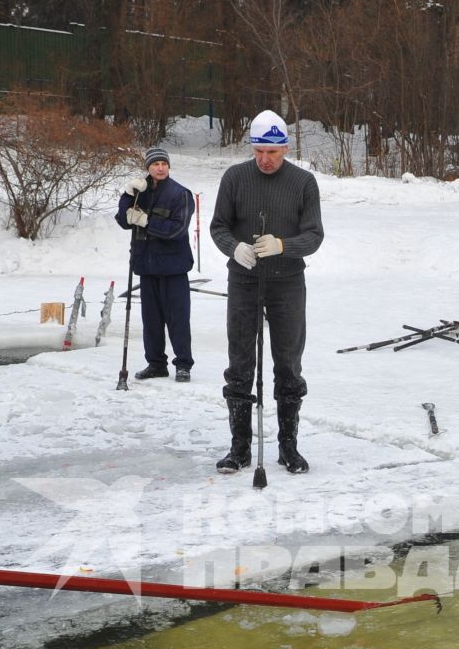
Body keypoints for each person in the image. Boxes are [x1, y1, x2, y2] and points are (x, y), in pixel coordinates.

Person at [209, 109, 324, 475]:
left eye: (272, 152)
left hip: (287, 282)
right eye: (259, 151)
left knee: (288, 363)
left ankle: (288, 447)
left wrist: (283, 245)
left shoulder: (303, 183)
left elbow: (314, 235)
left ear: (285, 148)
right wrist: (234, 248)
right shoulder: (235, 178)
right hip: (243, 280)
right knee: (240, 364)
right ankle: (239, 447)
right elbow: (218, 226)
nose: (265, 159)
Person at [118, 146, 196, 381]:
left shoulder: (180, 194)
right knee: (151, 320)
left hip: (173, 268)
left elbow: (177, 230)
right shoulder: (140, 192)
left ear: (169, 167)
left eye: (164, 164)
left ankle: (183, 364)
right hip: (147, 266)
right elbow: (124, 220)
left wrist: (146, 221)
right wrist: (128, 196)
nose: (160, 168)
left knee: (177, 319)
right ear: (148, 168)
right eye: (155, 164)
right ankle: (156, 363)